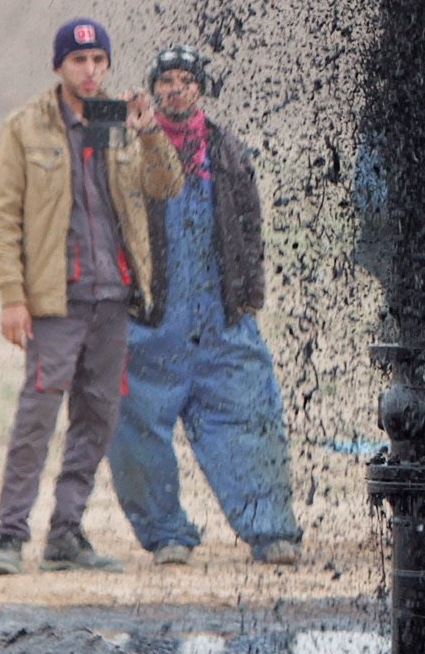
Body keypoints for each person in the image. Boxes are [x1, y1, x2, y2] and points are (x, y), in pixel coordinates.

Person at [0, 19, 183, 575]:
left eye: (99, 61)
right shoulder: (25, 127)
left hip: (112, 296)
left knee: (97, 416)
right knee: (36, 419)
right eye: (79, 61)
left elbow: (167, 186)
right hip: (55, 300)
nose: (91, 71)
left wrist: (148, 131)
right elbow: (2, 219)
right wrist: (11, 297)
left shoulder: (116, 122)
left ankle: (65, 534)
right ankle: (8, 536)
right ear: (59, 66)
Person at [105, 47, 303, 567]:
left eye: (185, 80)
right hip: (150, 320)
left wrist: (246, 297)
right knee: (134, 426)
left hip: (222, 318)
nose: (175, 88)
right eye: (164, 80)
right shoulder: (125, 147)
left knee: (249, 417)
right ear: (152, 91)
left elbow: (250, 230)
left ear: (201, 88)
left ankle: (271, 531)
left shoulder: (229, 151)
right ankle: (166, 534)